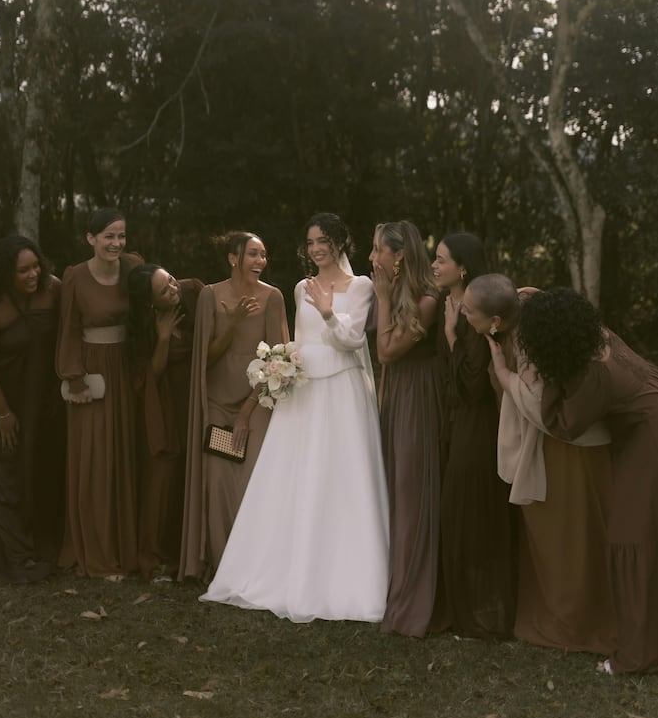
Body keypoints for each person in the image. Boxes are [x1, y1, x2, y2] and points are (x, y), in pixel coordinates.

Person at [201, 213, 389, 621]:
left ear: (339, 242)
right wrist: (280, 367)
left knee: (341, 478)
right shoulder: (301, 287)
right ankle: (279, 571)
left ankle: (346, 577)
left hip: (341, 390)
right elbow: (298, 341)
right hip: (304, 390)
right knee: (296, 477)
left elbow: (352, 340)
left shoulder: (361, 286)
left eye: (323, 240)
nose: (316, 248)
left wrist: (327, 312)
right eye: (310, 242)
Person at [519, 287, 658, 679]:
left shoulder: (594, 374)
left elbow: (564, 423)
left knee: (630, 538)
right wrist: (543, 299)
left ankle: (637, 654)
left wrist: (531, 375)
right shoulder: (600, 335)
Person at [463, 274, 615, 655]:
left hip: (566, 447)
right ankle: (560, 615)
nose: (463, 314)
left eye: (468, 311)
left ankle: (576, 622)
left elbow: (538, 403)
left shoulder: (531, 341)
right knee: (556, 537)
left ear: (495, 321)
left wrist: (502, 373)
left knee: (569, 536)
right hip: (558, 444)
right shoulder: (521, 317)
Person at [179, 230, 289, 583]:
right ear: (233, 258)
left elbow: (279, 360)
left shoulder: (273, 297)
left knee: (251, 478)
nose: (261, 261)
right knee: (217, 482)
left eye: (264, 255)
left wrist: (247, 411)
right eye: (254, 254)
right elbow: (206, 358)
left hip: (256, 403)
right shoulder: (210, 296)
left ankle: (255, 566)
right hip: (216, 404)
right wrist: (235, 322)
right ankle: (223, 566)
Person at [433, 232, 516, 638]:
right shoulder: (443, 305)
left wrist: (452, 336)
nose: (434, 265)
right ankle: (458, 605)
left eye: (441, 259)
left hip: (476, 423)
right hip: (449, 420)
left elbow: (471, 385)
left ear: (463, 267)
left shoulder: (477, 311)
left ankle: (481, 614)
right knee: (455, 511)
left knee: (468, 511)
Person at [0, 234, 65, 583]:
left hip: (47, 398)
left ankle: (48, 545)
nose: (32, 274)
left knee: (44, 470)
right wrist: (3, 413)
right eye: (23, 270)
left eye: (36, 266)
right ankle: (16, 553)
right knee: (9, 472)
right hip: (7, 400)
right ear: (6, 274)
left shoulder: (53, 290)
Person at [56, 208, 140, 578]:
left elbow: (158, 295)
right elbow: (68, 328)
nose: (116, 243)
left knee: (125, 453)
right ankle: (97, 552)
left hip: (127, 367)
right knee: (96, 460)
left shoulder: (134, 266)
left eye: (120, 235)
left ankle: (128, 547)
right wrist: (73, 375)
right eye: (108, 236)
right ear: (90, 239)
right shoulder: (75, 276)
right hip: (92, 371)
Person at [370, 220, 442, 637]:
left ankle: (411, 599)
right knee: (393, 487)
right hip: (396, 395)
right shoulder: (396, 290)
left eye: (378, 249)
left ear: (399, 255)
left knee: (411, 492)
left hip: (417, 396)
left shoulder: (428, 298)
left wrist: (381, 298)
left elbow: (387, 352)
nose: (372, 257)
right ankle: (388, 584)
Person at [127, 263, 204, 581]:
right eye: (164, 291)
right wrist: (162, 337)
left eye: (171, 280)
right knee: (165, 473)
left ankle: (193, 548)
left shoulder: (193, 292)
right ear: (150, 303)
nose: (173, 290)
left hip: (195, 392)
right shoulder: (144, 323)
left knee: (195, 467)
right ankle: (157, 552)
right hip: (166, 399)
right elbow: (152, 373)